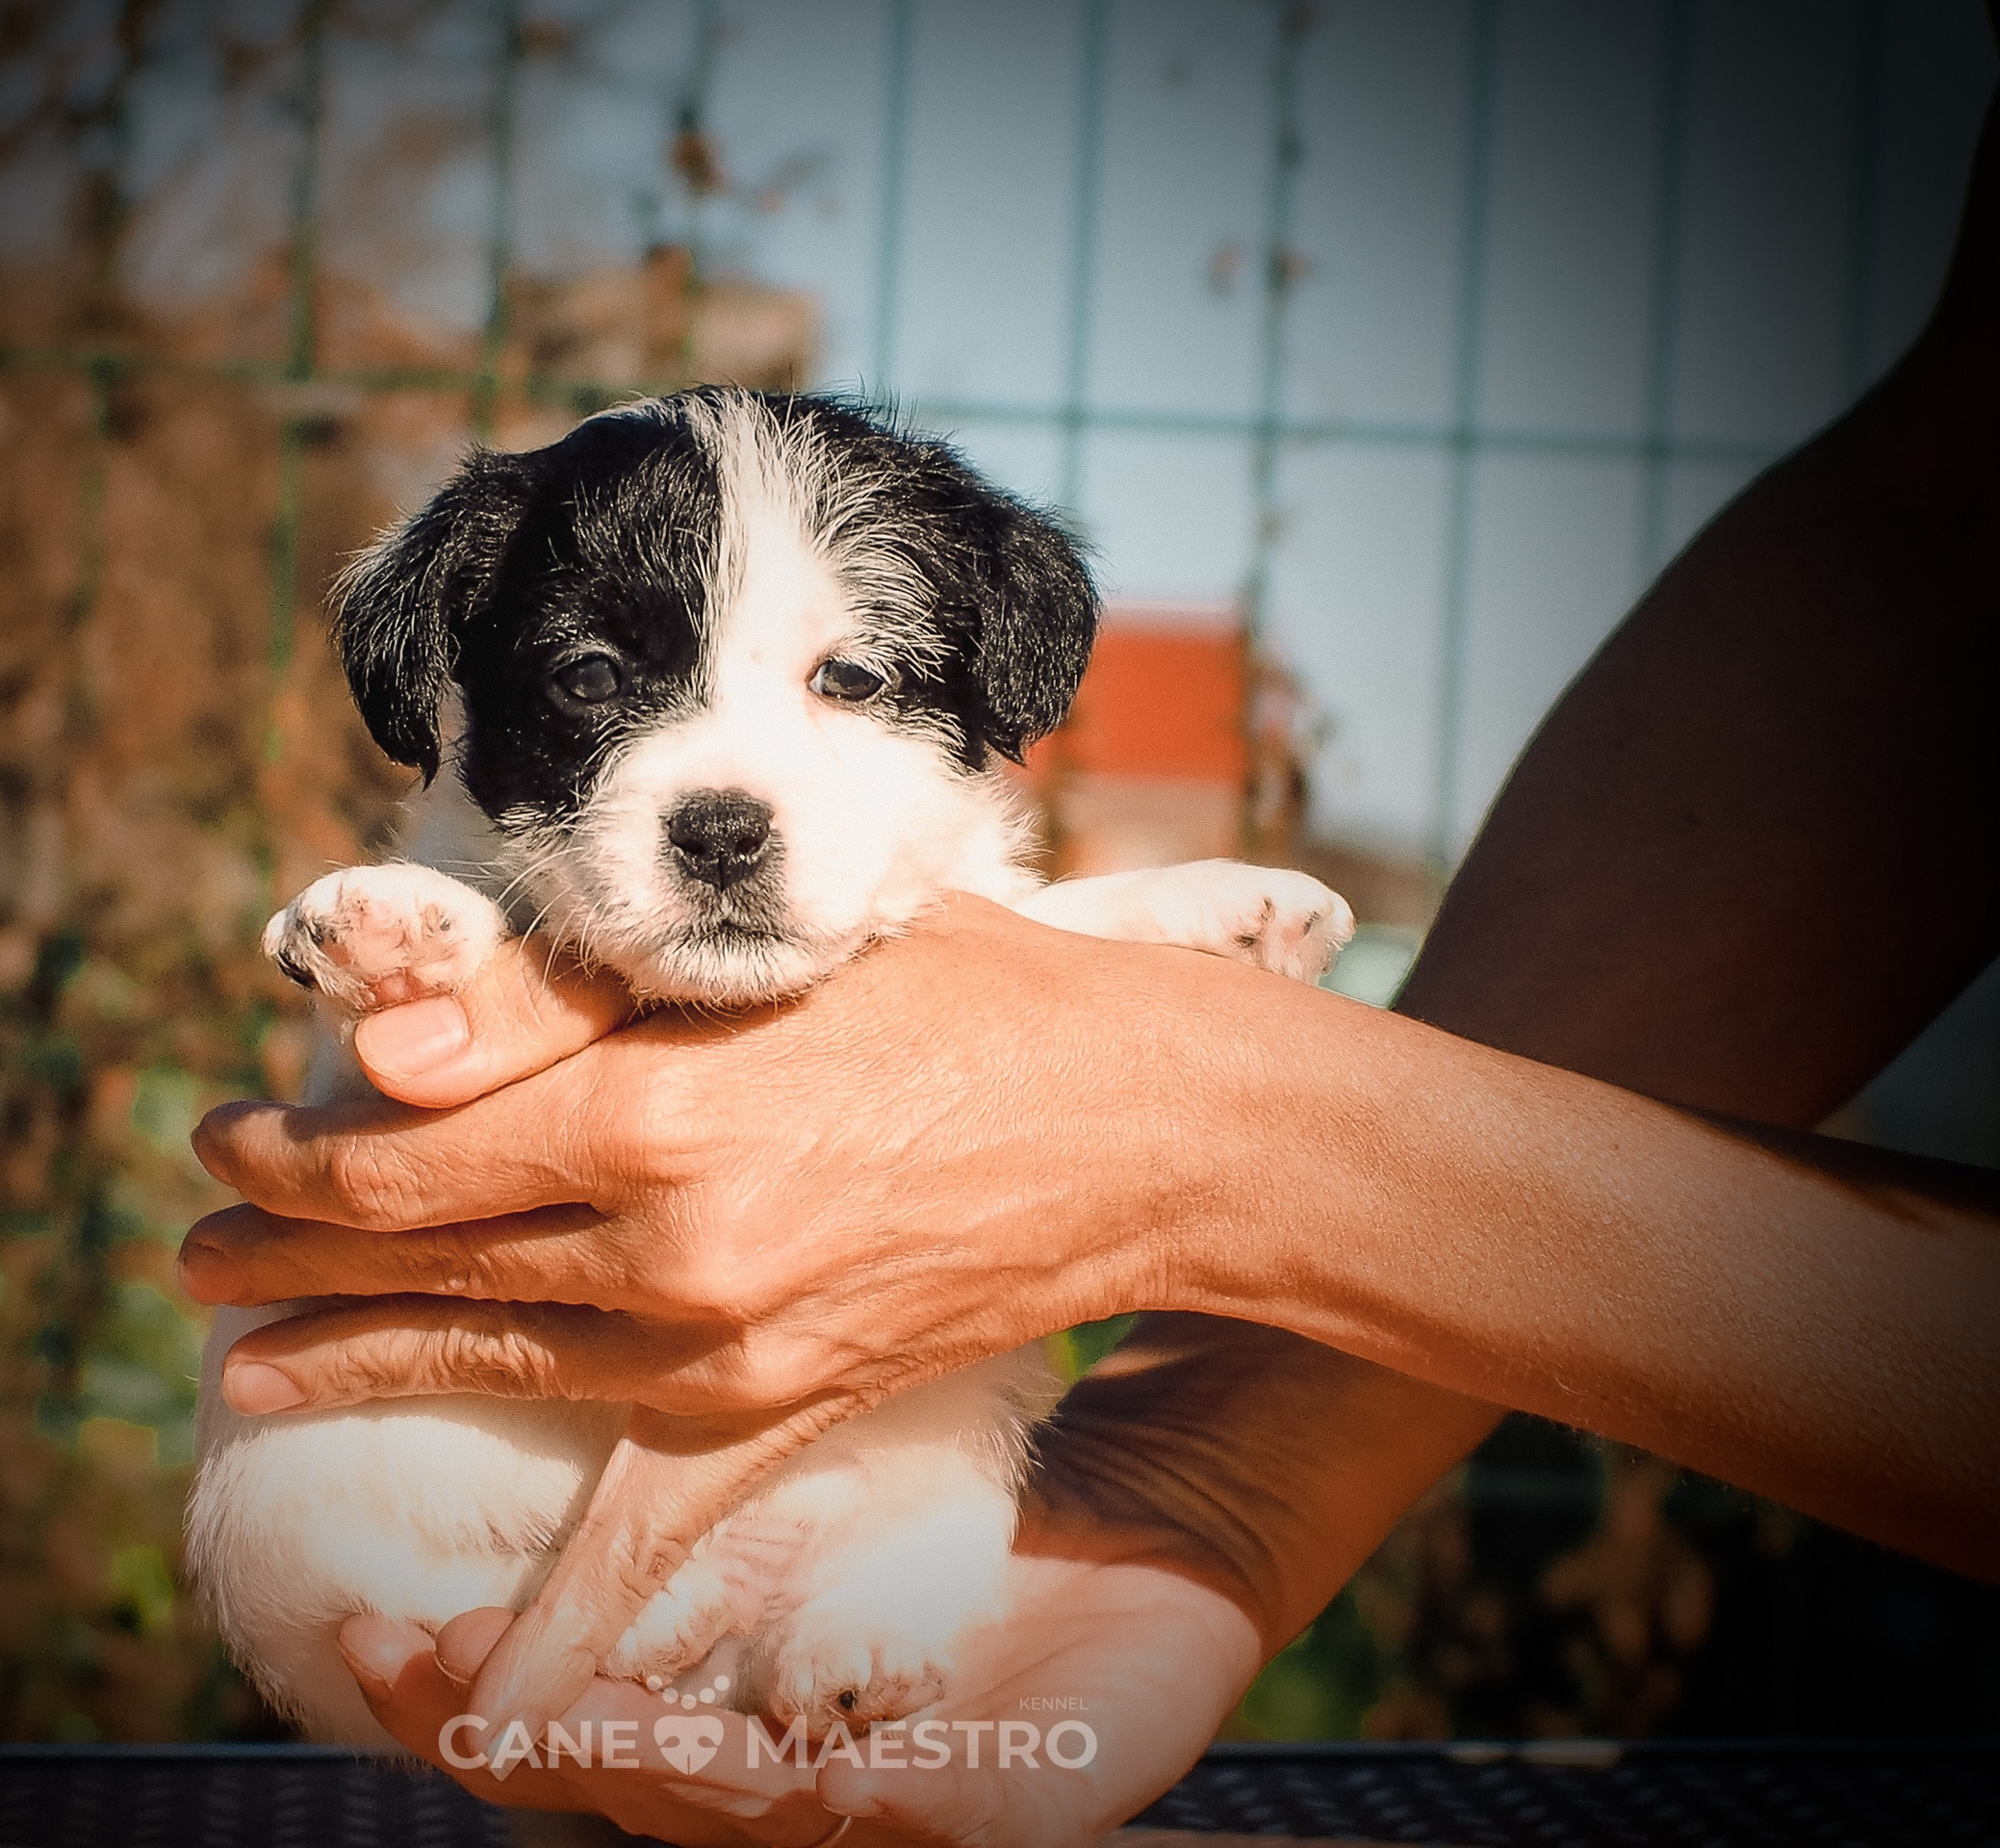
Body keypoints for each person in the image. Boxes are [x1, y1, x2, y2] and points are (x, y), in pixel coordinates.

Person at [177, 87, 2000, 1848]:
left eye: (853, 680)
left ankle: (842, 1607)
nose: (727, 791)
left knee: (934, 1451)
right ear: (453, 690)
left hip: (839, 1559)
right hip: (434, 1546)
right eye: (597, 681)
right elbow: (1948, 513)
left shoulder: (969, 837)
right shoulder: (461, 858)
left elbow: (1017, 1014)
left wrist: (1200, 1098)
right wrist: (1221, 1466)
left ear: (994, 694)